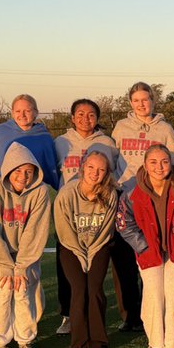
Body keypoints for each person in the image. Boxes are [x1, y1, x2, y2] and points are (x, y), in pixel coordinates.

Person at [115, 145, 174, 348]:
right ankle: (155, 339)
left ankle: (173, 340)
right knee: (153, 291)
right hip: (148, 250)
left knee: (173, 290)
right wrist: (143, 246)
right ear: (145, 165)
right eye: (154, 162)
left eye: (165, 161)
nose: (159, 167)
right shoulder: (133, 191)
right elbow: (124, 223)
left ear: (171, 163)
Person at [109, 82, 174, 332]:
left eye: (146, 99)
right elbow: (113, 159)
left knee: (153, 257)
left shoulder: (164, 128)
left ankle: (156, 312)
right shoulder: (121, 127)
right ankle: (131, 315)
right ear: (131, 103)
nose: (142, 104)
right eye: (136, 100)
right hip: (126, 197)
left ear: (153, 101)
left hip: (154, 199)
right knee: (125, 260)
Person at [0, 143, 53, 348]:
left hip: (24, 252)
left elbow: (35, 231)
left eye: (29, 171)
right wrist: (6, 265)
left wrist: (21, 266)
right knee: (3, 290)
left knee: (23, 290)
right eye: (18, 170)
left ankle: (25, 341)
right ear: (8, 169)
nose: (23, 176)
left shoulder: (40, 192)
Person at [54, 98, 120, 335]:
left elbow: (115, 172)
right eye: (80, 114)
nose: (85, 118)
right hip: (69, 211)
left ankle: (106, 317)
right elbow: (52, 170)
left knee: (97, 273)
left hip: (97, 210)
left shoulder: (107, 142)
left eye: (91, 114)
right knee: (67, 270)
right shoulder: (60, 142)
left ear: (97, 118)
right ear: (72, 118)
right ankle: (68, 316)